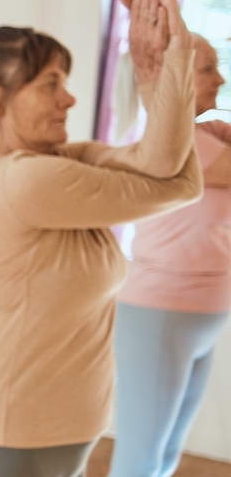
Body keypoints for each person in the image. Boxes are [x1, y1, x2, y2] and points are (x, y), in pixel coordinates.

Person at [0, 0, 202, 477]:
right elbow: (181, 185)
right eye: (50, 84)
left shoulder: (60, 161)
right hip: (7, 432)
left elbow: (166, 164)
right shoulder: (29, 180)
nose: (70, 100)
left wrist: (158, 70)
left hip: (64, 428)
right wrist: (173, 61)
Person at [111, 34, 230, 477]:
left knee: (164, 454)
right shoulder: (180, 144)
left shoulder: (204, 133)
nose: (220, 78)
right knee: (141, 459)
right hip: (160, 316)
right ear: (170, 78)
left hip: (198, 315)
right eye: (206, 69)